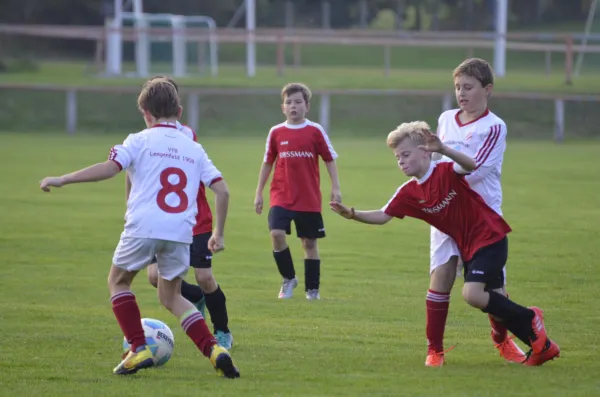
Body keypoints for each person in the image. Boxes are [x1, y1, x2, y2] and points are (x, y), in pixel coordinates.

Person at [39, 78, 240, 378]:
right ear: (180, 111)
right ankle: (214, 348)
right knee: (171, 297)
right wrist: (219, 233)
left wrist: (63, 179)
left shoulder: (138, 140)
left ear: (145, 113)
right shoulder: (193, 148)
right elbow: (222, 191)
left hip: (143, 227)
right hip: (181, 232)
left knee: (118, 282)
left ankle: (137, 346)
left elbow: (110, 168)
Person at [329, 121, 560, 367]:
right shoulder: (409, 192)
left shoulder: (445, 170)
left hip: (490, 236)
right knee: (494, 303)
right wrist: (352, 214)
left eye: (406, 155)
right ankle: (542, 346)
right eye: (397, 158)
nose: (401, 162)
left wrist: (445, 149)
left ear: (425, 152)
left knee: (472, 294)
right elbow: (383, 215)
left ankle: (530, 316)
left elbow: (471, 165)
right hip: (470, 247)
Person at [128, 76, 233, 349]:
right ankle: (192, 297)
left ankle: (222, 331)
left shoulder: (184, 135)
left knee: (205, 276)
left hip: (194, 219)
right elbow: (133, 172)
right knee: (153, 278)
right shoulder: (145, 139)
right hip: (160, 221)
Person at [426, 58, 519, 365]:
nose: (461, 93)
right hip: (446, 211)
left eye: (468, 87)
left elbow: (475, 170)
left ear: (487, 89)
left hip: (482, 216)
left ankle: (502, 340)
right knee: (443, 275)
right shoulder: (446, 119)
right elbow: (436, 164)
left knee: (493, 290)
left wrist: (441, 169)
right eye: (457, 87)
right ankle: (434, 351)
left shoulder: (494, 126)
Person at [254, 83, 342, 300]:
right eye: (289, 102)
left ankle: (312, 290)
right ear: (283, 107)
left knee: (309, 243)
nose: (293, 106)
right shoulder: (276, 132)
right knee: (276, 234)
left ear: (307, 106)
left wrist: (336, 187)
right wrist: (259, 192)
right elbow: (267, 163)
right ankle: (288, 278)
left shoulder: (315, 131)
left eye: (298, 102)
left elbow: (329, 159)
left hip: (308, 196)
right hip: (281, 193)